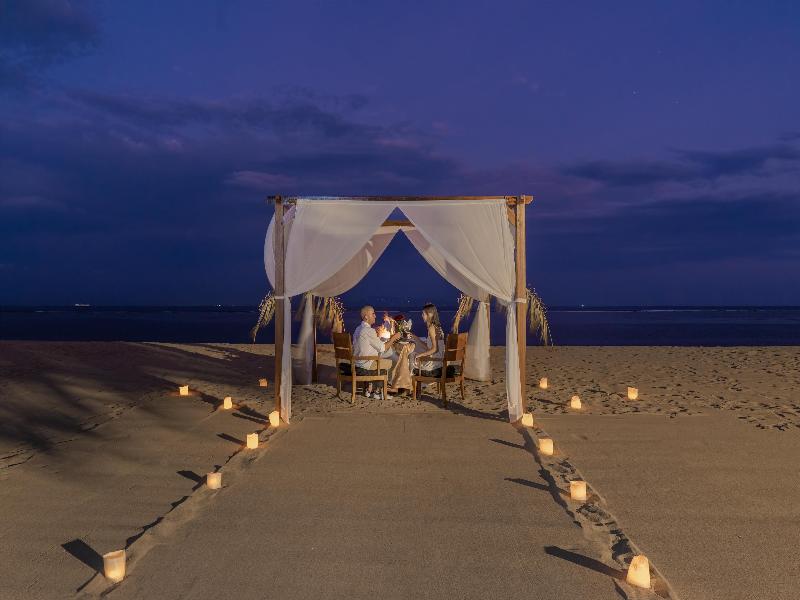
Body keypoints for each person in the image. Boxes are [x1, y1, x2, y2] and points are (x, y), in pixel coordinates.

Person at [353, 305, 401, 398]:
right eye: (373, 314)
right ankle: (379, 390)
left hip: (358, 363)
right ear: (366, 317)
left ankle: (371, 387)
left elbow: (366, 346)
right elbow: (382, 348)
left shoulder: (358, 329)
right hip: (366, 365)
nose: (375, 316)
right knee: (394, 360)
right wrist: (394, 338)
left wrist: (378, 336)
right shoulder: (368, 330)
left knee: (390, 355)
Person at [410, 303, 445, 375]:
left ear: (430, 314)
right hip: (439, 364)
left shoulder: (432, 328)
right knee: (414, 353)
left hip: (433, 368)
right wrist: (415, 338)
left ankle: (410, 380)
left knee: (412, 357)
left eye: (423, 314)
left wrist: (420, 355)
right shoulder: (438, 327)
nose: (422, 316)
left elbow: (435, 349)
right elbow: (429, 347)